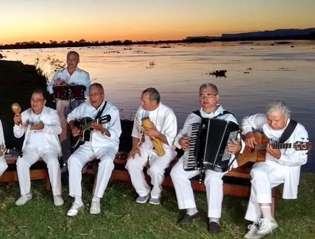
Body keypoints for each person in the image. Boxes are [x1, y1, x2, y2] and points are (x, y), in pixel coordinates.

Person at [170, 83, 241, 233]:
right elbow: (180, 135)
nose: (205, 98)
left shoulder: (228, 117)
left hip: (219, 159)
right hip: (194, 157)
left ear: (217, 97)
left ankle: (214, 219)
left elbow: (238, 141)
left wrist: (238, 147)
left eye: (209, 95)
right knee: (176, 173)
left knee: (212, 178)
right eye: (202, 96)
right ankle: (191, 211)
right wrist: (180, 141)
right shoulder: (193, 116)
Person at [242, 100, 309, 239]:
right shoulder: (265, 119)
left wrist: (280, 156)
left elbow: (301, 159)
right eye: (269, 120)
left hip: (285, 167)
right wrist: (248, 133)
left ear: (286, 117)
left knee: (258, 181)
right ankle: (267, 220)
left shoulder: (299, 130)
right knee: (258, 173)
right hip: (265, 161)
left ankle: (257, 222)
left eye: (277, 121)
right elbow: (246, 120)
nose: (272, 124)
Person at [66, 83, 121, 216]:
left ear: (102, 95)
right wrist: (74, 127)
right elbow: (70, 117)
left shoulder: (111, 110)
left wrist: (102, 129)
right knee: (73, 160)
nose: (92, 97)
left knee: (107, 162)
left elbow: (116, 132)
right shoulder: (85, 106)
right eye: (90, 95)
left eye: (95, 94)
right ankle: (77, 200)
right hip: (89, 144)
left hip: (107, 144)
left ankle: (96, 199)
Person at [126, 88, 177, 205]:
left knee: (156, 169)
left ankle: (156, 193)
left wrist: (157, 134)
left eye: (144, 101)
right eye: (141, 101)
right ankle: (143, 192)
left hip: (164, 148)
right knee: (132, 163)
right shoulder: (141, 110)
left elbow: (170, 140)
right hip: (145, 145)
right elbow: (135, 132)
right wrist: (134, 147)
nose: (141, 104)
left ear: (154, 103)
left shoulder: (168, 113)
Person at [13, 89, 64, 206]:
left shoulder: (51, 113)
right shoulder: (25, 114)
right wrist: (17, 124)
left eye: (38, 100)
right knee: (21, 161)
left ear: (44, 102)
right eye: (33, 100)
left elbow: (58, 129)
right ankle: (25, 193)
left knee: (53, 162)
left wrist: (43, 127)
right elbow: (18, 134)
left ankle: (57, 194)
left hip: (49, 147)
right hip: (31, 147)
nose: (35, 103)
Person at [47, 51, 91, 144]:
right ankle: (63, 148)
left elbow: (88, 92)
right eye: (69, 59)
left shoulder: (84, 74)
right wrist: (55, 86)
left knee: (77, 123)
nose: (70, 61)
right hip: (62, 102)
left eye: (73, 59)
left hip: (78, 102)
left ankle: (78, 144)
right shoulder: (59, 73)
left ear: (78, 61)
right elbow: (49, 87)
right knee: (63, 125)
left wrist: (76, 87)